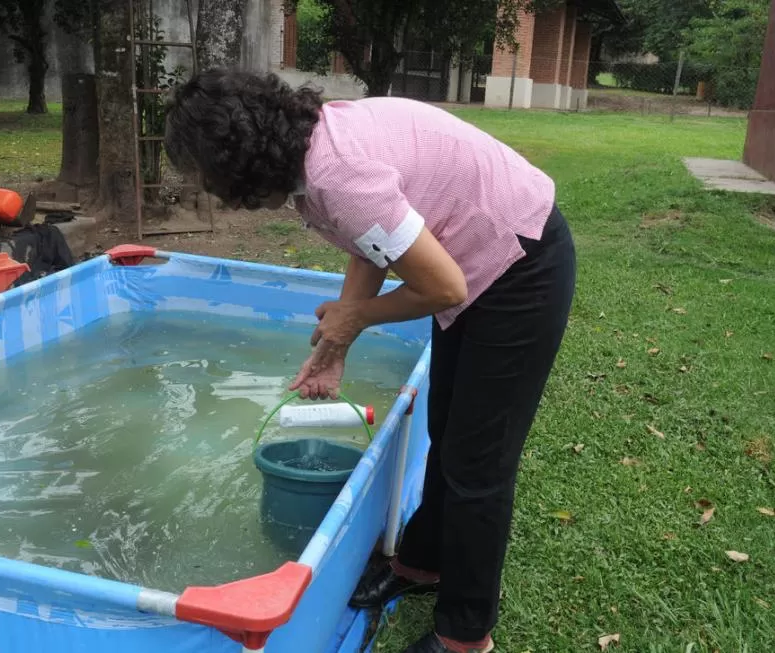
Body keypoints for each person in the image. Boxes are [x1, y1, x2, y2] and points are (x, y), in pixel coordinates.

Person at [164, 69, 576, 653]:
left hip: (518, 267)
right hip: (481, 259)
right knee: (448, 431)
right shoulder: (317, 148)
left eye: (206, 173)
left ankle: (466, 638)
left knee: (478, 465)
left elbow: (445, 288)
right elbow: (374, 245)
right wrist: (334, 351)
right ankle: (422, 564)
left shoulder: (339, 175)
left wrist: (356, 318)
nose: (208, 186)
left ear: (238, 161)